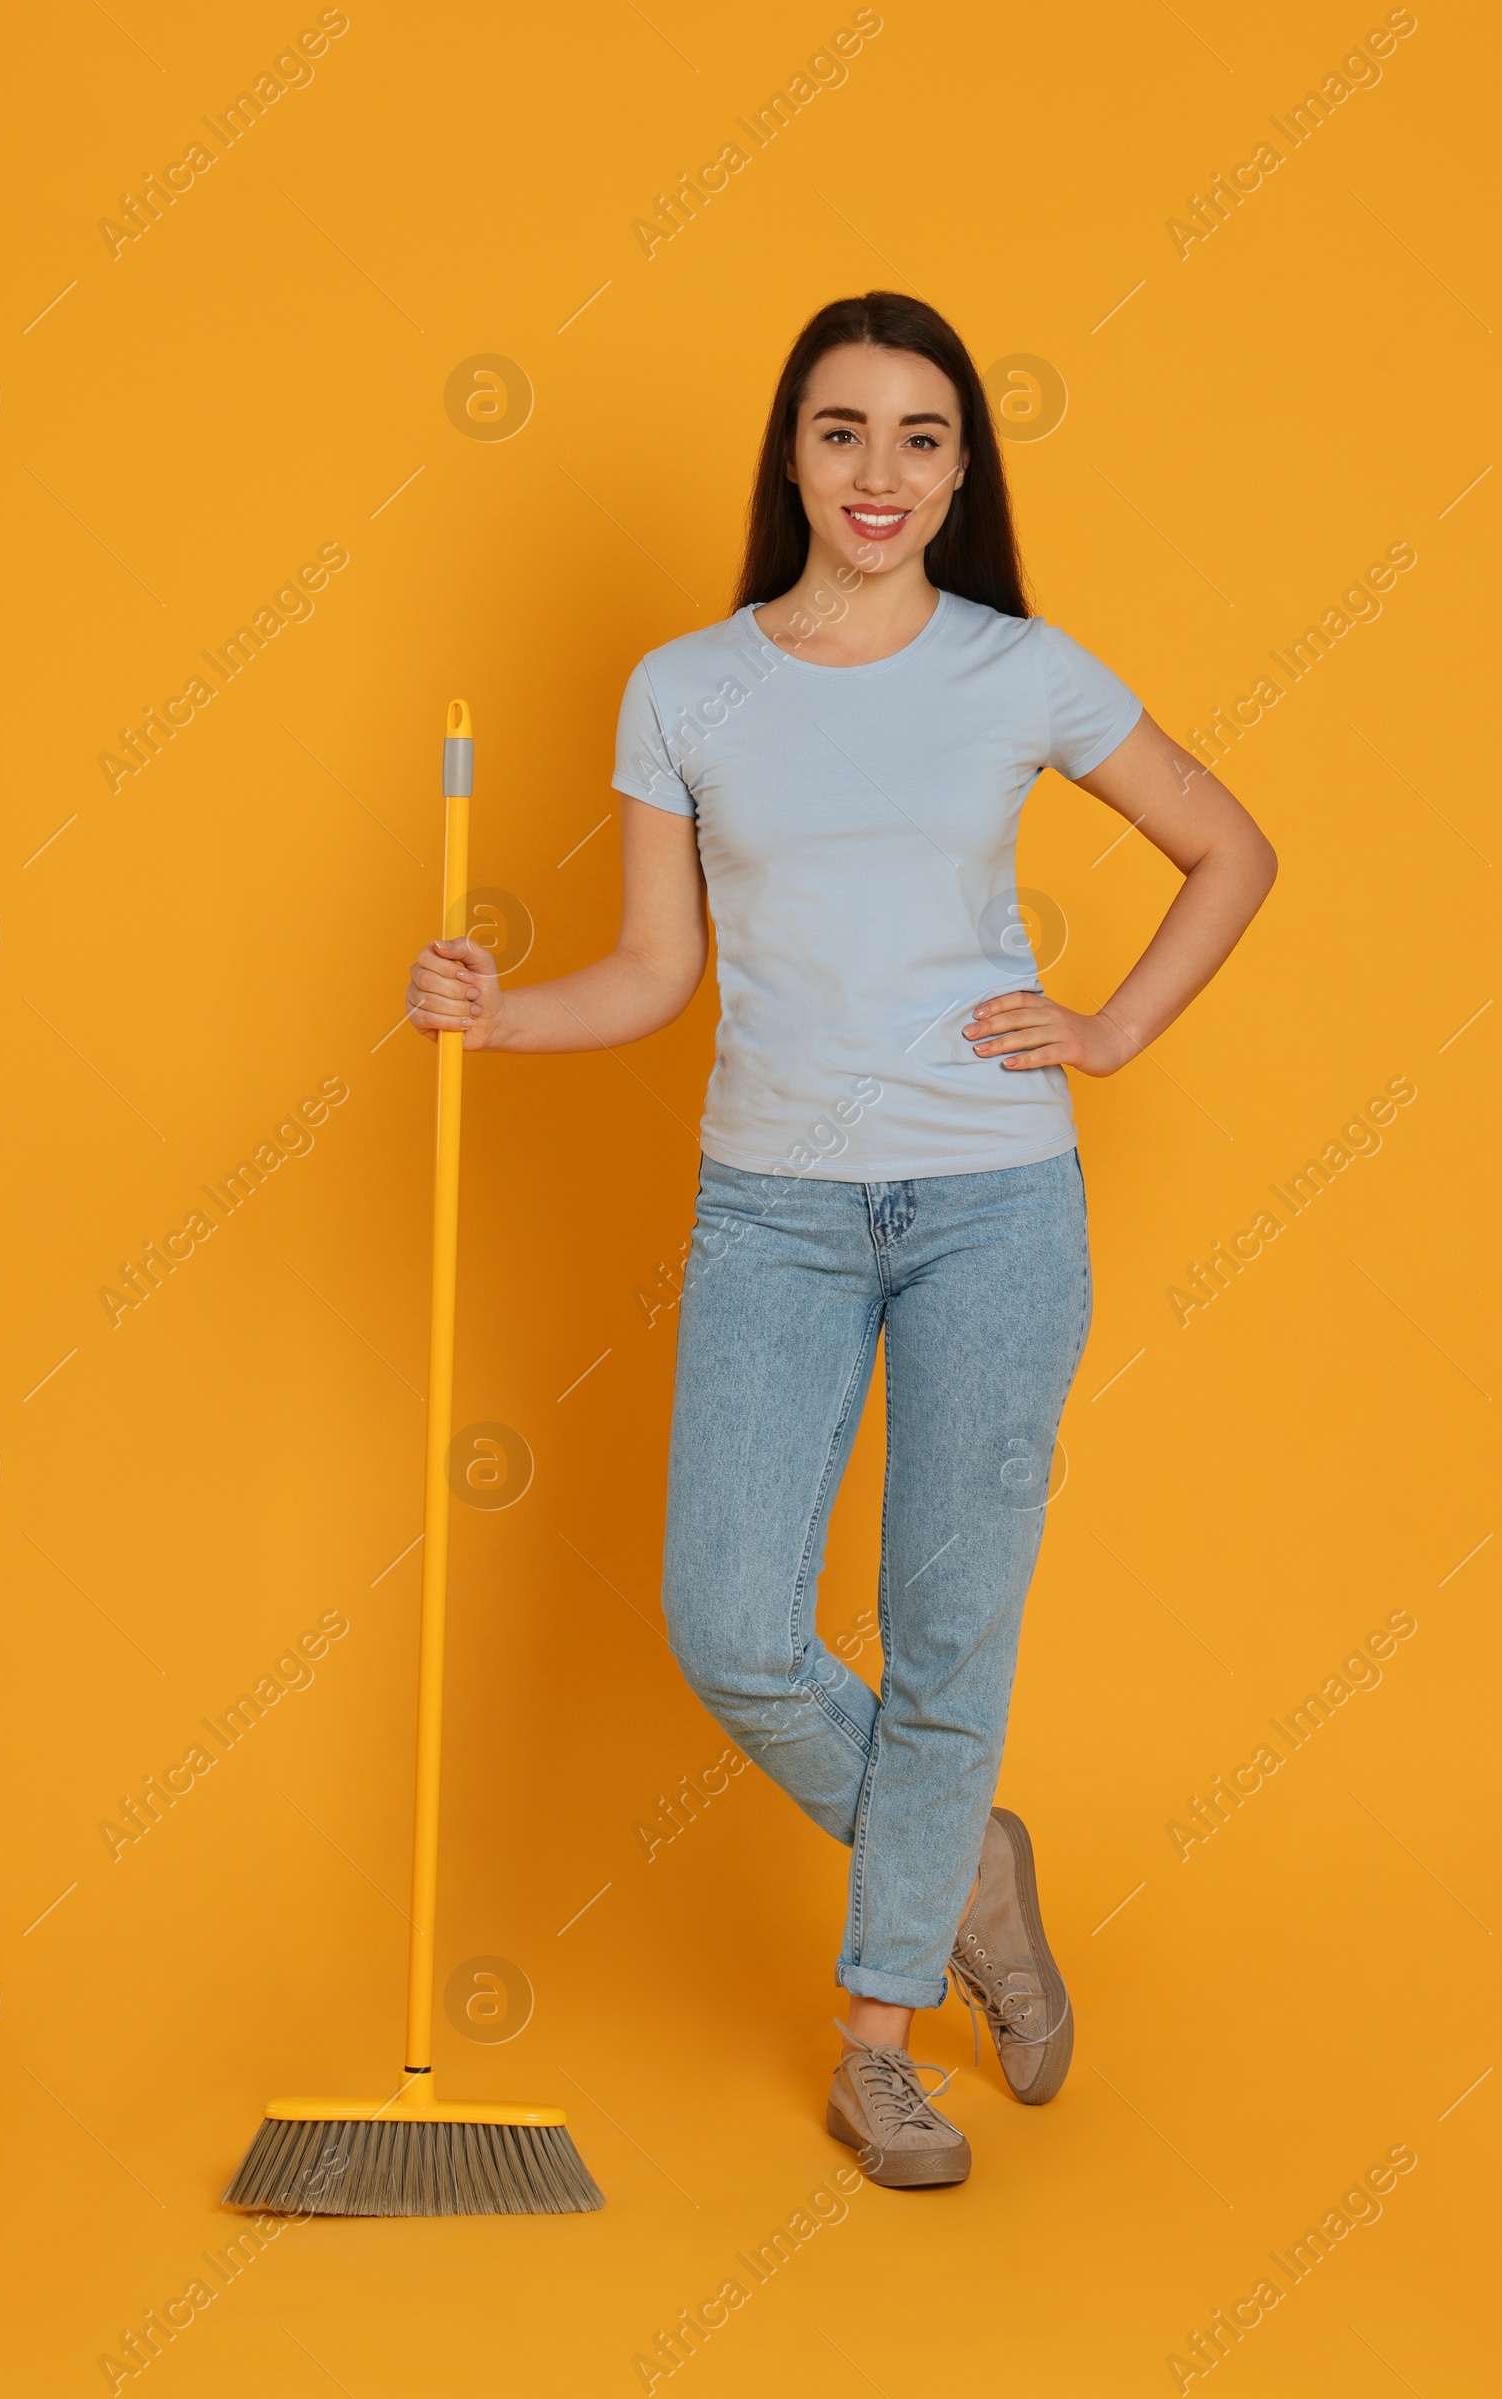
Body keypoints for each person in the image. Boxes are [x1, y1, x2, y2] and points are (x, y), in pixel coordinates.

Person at [405, 290, 1276, 2189]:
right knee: (728, 1623)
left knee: (951, 1634)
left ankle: (880, 2043)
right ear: (789, 453)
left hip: (993, 1206)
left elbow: (1234, 849)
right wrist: (496, 1007)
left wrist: (1112, 1028)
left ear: (963, 468)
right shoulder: (686, 688)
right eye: (842, 431)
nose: (880, 474)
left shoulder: (1017, 670)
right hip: (773, 1207)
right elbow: (651, 973)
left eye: (922, 437)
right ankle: (966, 1861)